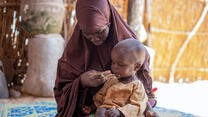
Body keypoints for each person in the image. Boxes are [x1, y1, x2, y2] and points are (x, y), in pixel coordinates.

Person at [54, 0, 157, 116]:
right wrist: (82, 81)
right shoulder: (75, 48)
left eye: (100, 32)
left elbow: (142, 91)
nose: (94, 39)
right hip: (93, 105)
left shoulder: (129, 46)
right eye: (87, 33)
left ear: (109, 21)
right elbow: (62, 90)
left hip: (125, 107)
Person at [83, 39, 148, 117]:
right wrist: (92, 107)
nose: (114, 67)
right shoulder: (112, 79)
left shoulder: (137, 86)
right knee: (100, 111)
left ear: (136, 67)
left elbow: (138, 105)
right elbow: (101, 96)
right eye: (113, 62)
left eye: (120, 65)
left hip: (123, 113)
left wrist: (119, 112)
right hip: (106, 109)